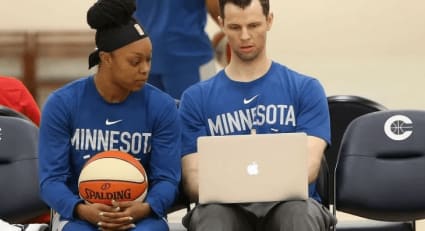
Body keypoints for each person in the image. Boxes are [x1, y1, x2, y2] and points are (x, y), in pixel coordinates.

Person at [179, 0, 337, 230]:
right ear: (222, 25)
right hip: (224, 207)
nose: (245, 36)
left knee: (298, 213)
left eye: (253, 25)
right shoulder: (195, 98)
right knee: (211, 216)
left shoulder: (305, 89)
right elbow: (193, 180)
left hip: (291, 206)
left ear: (269, 21)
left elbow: (309, 167)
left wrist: (246, 183)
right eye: (235, 27)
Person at [38, 0, 181, 230]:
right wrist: (82, 210)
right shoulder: (62, 104)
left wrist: (144, 207)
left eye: (148, 59)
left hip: (141, 211)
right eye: (135, 61)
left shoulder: (162, 106)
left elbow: (167, 179)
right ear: (106, 59)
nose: (145, 69)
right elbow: (50, 181)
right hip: (79, 213)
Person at [134, 0, 220, 99]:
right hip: (189, 54)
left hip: (146, 54)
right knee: (203, 111)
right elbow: (215, 6)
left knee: (156, 112)